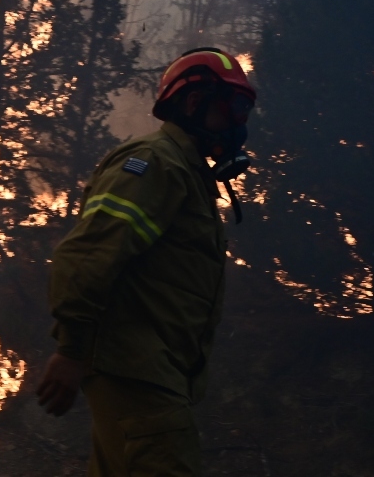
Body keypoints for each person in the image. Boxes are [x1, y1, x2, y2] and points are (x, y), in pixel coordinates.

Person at [36, 48, 256, 476]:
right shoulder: (155, 162)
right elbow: (87, 256)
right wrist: (70, 350)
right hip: (137, 371)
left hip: (154, 372)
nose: (240, 124)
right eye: (235, 106)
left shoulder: (189, 175)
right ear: (194, 102)